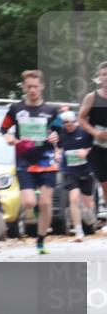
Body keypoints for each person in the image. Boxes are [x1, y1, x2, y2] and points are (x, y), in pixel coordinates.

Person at [0, 70, 61, 254]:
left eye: (35, 86)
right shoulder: (15, 109)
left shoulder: (51, 111)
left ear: (42, 87)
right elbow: (3, 128)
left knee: (45, 203)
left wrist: (56, 137)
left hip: (46, 161)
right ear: (24, 88)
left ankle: (41, 240)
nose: (32, 90)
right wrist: (9, 137)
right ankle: (34, 203)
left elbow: (60, 134)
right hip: (24, 161)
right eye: (29, 87)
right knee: (28, 203)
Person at [57, 110, 95, 241]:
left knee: (88, 204)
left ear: (75, 122)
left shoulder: (84, 132)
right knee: (74, 199)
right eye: (65, 124)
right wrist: (57, 153)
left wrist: (86, 151)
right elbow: (57, 146)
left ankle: (89, 216)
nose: (68, 126)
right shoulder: (62, 133)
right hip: (70, 171)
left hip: (86, 170)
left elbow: (95, 145)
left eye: (70, 123)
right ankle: (78, 231)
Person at [79, 61, 107, 225]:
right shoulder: (92, 97)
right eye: (104, 74)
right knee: (105, 185)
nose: (106, 77)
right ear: (99, 77)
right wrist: (95, 132)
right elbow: (81, 118)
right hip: (99, 146)